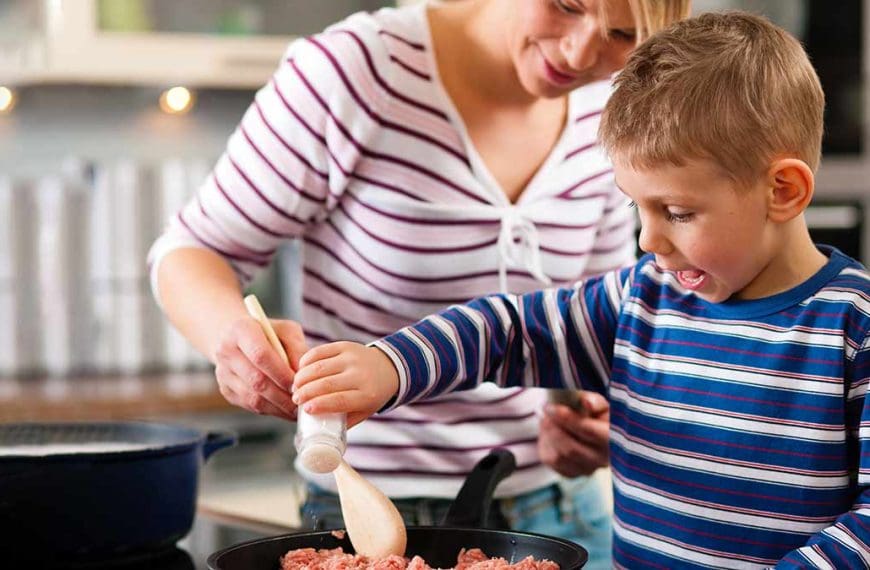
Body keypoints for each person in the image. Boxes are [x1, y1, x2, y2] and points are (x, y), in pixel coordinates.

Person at [290, 11, 870, 569]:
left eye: (677, 211)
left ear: (785, 190)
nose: (649, 241)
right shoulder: (640, 301)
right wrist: (391, 367)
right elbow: (505, 330)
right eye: (637, 208)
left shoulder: (854, 330)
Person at [149, 0, 689, 566]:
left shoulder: (616, 107)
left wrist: (587, 419)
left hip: (561, 515)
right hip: (371, 517)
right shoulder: (355, 73)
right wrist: (231, 339)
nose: (580, 52)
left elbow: (585, 321)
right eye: (566, 5)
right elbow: (191, 250)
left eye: (622, 34)